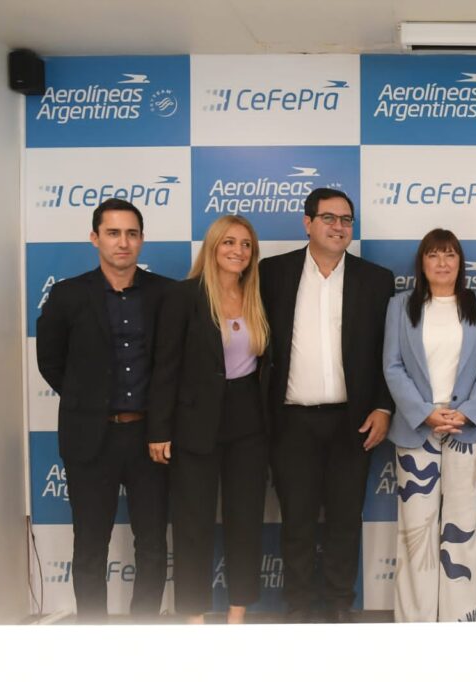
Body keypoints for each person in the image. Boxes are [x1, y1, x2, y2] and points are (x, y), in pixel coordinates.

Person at [259, 188, 394, 623]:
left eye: (346, 220)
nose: (339, 227)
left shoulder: (375, 279)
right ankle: (298, 604)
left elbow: (388, 352)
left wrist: (383, 407)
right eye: (329, 218)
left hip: (352, 421)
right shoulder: (272, 273)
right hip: (291, 421)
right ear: (308, 223)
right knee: (296, 518)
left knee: (344, 519)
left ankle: (339, 603)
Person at [36, 198, 171, 622]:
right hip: (91, 438)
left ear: (142, 239)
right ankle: (92, 636)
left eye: (131, 233)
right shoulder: (68, 295)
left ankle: (144, 631)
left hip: (151, 438)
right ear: (95, 238)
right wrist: (89, 401)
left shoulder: (166, 293)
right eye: (113, 233)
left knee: (153, 544)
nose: (122, 242)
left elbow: (174, 364)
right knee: (90, 545)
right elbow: (50, 361)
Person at [147, 215, 271, 624]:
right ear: (213, 247)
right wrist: (159, 429)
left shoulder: (258, 295)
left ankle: (238, 612)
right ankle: (194, 616)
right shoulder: (184, 296)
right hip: (194, 424)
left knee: (245, 521)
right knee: (192, 524)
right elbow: (165, 366)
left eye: (246, 244)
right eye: (229, 242)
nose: (238, 251)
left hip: (249, 425)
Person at [383, 228, 476, 622]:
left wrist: (467, 411)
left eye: (450, 255)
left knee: (463, 525)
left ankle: (462, 617)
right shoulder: (401, 306)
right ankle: (416, 620)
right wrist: (424, 412)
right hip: (417, 427)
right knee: (416, 530)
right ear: (422, 262)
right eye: (433, 255)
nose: (442, 262)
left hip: (467, 427)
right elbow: (392, 366)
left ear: (460, 262)